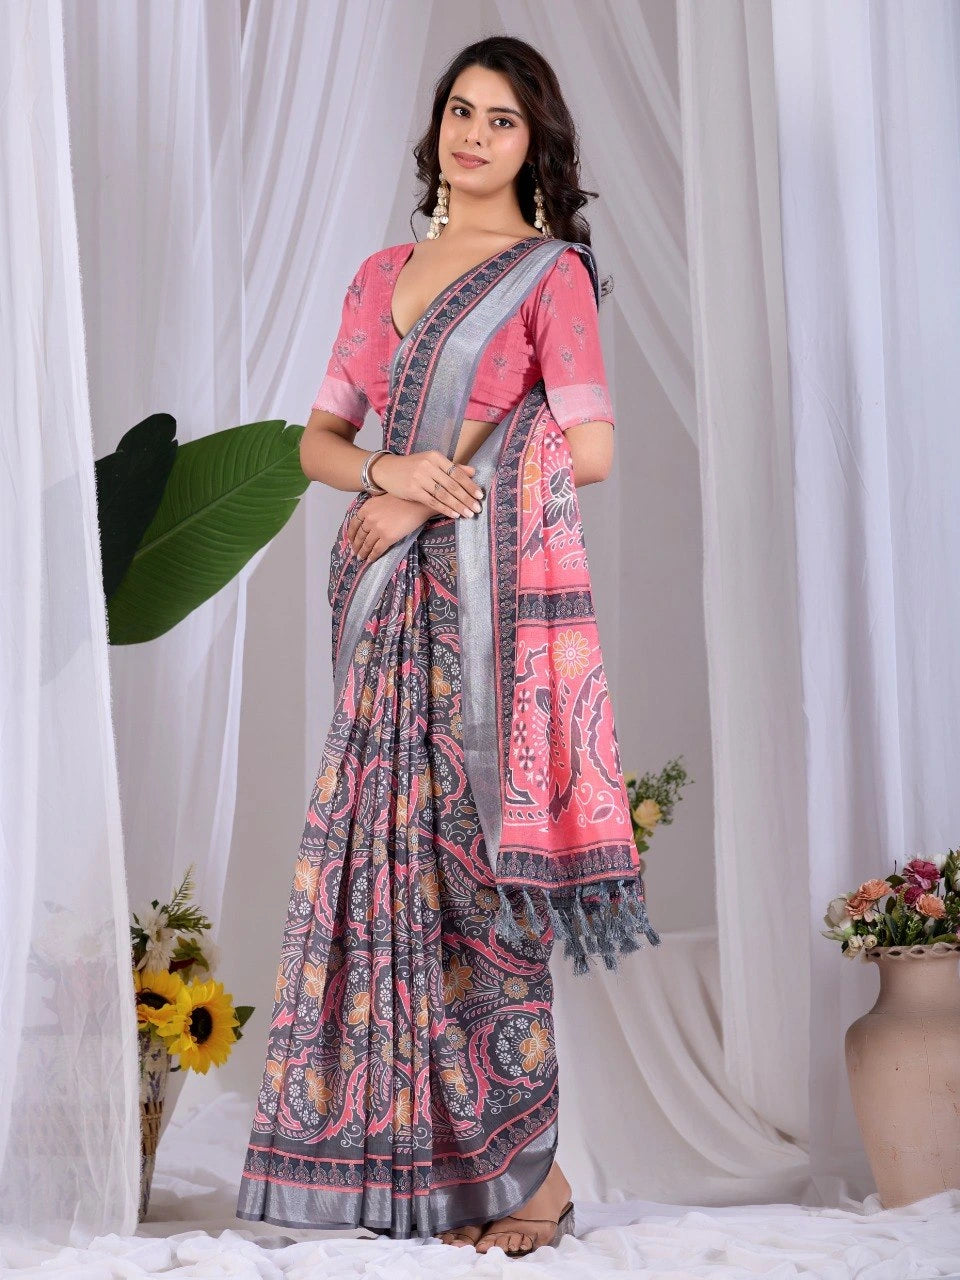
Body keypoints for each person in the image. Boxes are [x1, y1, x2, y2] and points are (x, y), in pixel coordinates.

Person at [236, 34, 659, 1257]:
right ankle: (398, 1166)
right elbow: (319, 439)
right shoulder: (382, 274)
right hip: (379, 604)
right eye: (459, 112)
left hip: (484, 614)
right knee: (379, 871)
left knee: (477, 879)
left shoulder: (550, 277)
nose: (473, 136)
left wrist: (432, 487)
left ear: (537, 144)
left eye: (502, 120)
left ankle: (537, 1174)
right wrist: (382, 470)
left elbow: (585, 447)